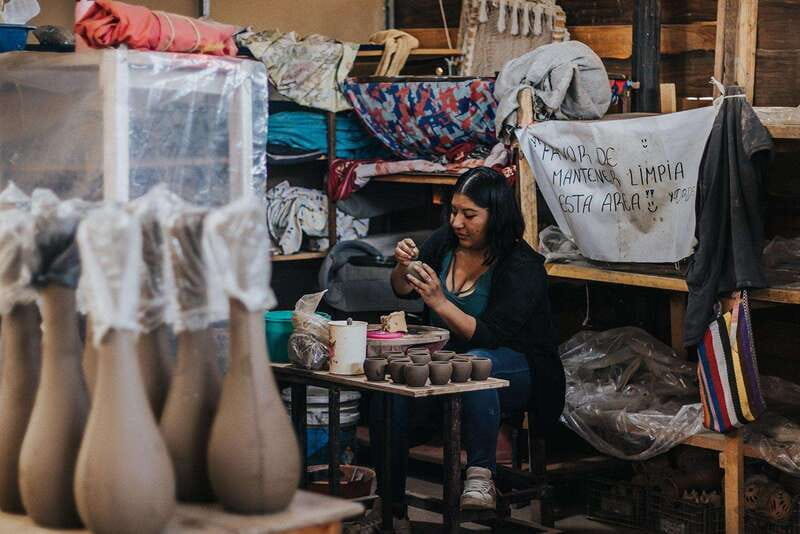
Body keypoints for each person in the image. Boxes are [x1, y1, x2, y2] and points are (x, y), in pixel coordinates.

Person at [369, 166, 565, 519]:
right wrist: (403, 267)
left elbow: (490, 335)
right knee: (391, 388)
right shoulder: (445, 242)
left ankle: (480, 475)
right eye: (454, 211)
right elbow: (402, 289)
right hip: (451, 360)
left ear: (497, 216)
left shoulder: (522, 265)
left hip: (517, 367)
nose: (457, 222)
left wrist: (439, 301)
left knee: (475, 363)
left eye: (469, 215)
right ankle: (390, 502)